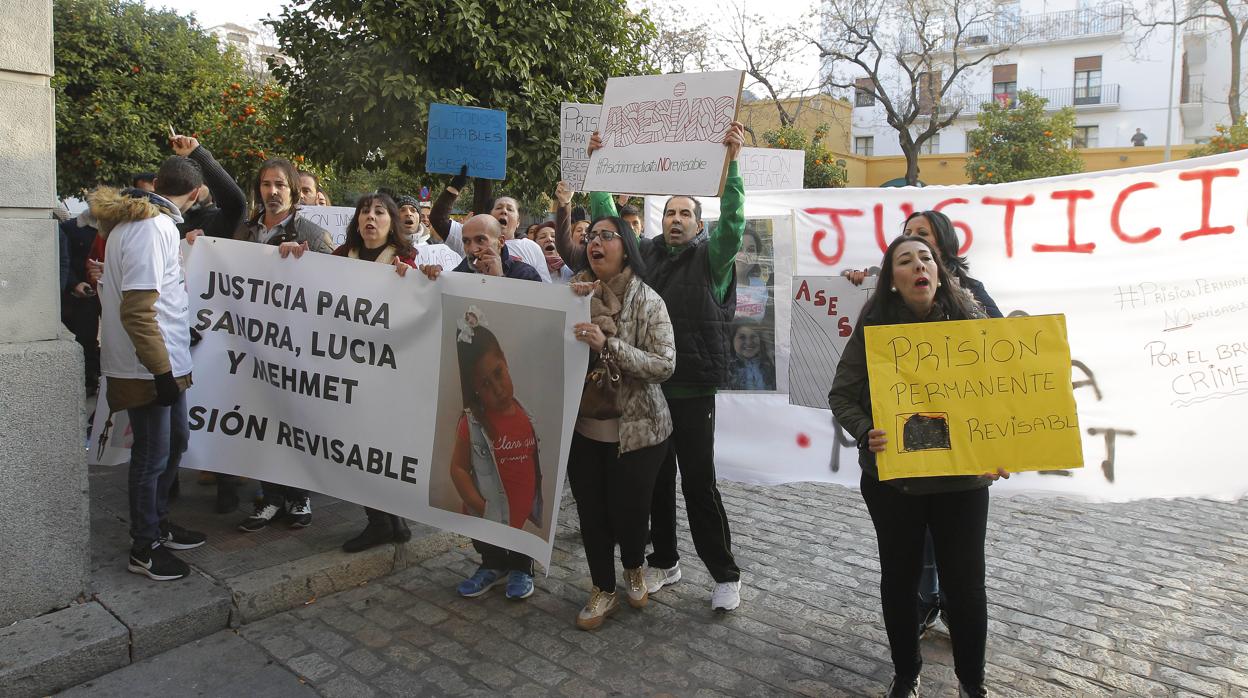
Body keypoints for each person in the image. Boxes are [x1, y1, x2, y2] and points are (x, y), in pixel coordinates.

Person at [561, 120, 747, 613]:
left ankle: (724, 573)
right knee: (657, 486)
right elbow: (608, 223)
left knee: (699, 483)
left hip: (692, 391)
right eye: (670, 212)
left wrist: (733, 166)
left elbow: (734, 224)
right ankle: (664, 559)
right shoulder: (643, 256)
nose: (677, 219)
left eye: (686, 213)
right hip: (648, 397)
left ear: (698, 223)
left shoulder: (714, 260)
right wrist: (598, 164)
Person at [828, 235, 1001, 698]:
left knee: (966, 587)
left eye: (926, 258)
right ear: (892, 281)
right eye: (905, 260)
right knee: (900, 583)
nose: (919, 265)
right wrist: (866, 431)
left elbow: (1004, 396)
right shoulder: (875, 329)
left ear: (939, 271)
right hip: (896, 486)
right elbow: (841, 396)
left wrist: (1004, 448)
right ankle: (906, 672)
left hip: (962, 483)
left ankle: (972, 683)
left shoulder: (971, 321)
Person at [91, 155, 207, 581]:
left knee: (175, 441)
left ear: (158, 182)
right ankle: (145, 546)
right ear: (195, 193)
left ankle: (158, 523)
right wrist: (161, 372)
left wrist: (182, 331)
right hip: (149, 368)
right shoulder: (152, 228)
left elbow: (160, 298)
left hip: (165, 361)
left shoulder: (146, 225)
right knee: (151, 456)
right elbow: (139, 310)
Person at [417, 214, 543, 600]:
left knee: (518, 487)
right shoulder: (458, 273)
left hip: (515, 419)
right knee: (485, 484)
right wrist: (429, 279)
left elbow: (539, 317)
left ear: (501, 238)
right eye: (467, 242)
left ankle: (522, 565)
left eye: (481, 241)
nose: (474, 249)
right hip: (481, 412)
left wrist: (501, 278)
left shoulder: (525, 274)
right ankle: (490, 561)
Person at [565, 215, 675, 630]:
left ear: (625, 247)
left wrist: (608, 345)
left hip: (639, 433)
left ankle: (633, 567)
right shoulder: (572, 294)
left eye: (606, 236)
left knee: (631, 515)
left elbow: (665, 364)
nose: (595, 242)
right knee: (592, 514)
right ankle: (602, 589)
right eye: (591, 236)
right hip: (583, 431)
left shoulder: (648, 300)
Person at [311, 192, 418, 552]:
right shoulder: (341, 258)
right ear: (357, 221)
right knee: (357, 448)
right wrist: (293, 259)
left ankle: (390, 517)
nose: (370, 218)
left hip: (387, 375)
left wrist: (419, 279)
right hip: (348, 369)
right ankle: (380, 521)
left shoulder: (406, 261)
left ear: (392, 222)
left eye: (379, 212)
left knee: (384, 449)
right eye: (364, 212)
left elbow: (422, 308)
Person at [234, 157, 334, 531]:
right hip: (254, 345)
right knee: (261, 419)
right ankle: (271, 496)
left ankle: (299, 495)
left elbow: (332, 291)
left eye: (279, 185)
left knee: (294, 421)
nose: (272, 192)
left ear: (292, 189)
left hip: (297, 347)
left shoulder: (312, 234)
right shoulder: (243, 232)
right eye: (265, 185)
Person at [428, 171, 551, 282]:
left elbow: (543, 297)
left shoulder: (527, 266)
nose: (472, 249)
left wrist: (498, 279)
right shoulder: (466, 262)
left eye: (510, 209)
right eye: (498, 208)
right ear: (489, 215)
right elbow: (438, 218)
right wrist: (437, 277)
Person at [60, 208, 102, 394]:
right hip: (84, 294)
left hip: (110, 291)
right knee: (85, 337)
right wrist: (74, 284)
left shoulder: (118, 227)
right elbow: (63, 260)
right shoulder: (70, 228)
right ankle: (88, 379)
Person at [727, 320, 775, 391]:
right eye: (742, 337)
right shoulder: (725, 368)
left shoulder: (771, 364)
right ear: (733, 340)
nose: (748, 342)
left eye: (753, 336)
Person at [534, 219, 574, 284]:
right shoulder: (530, 268)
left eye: (553, 236)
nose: (549, 239)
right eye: (542, 237)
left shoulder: (572, 269)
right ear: (534, 244)